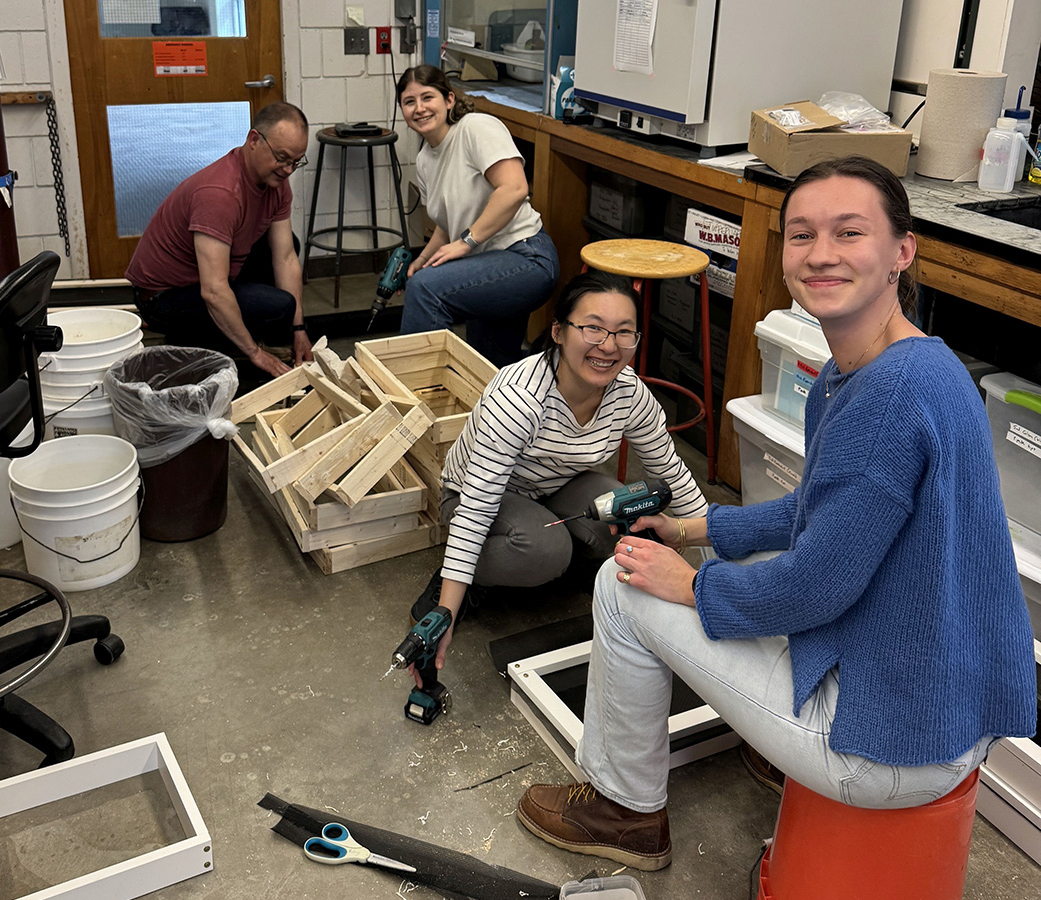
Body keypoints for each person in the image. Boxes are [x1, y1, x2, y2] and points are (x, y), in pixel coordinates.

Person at [514, 156, 1037, 871]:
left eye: (849, 232)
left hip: (889, 747)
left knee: (622, 585)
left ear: (902, 252)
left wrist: (689, 583)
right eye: (801, 235)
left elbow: (812, 588)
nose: (820, 253)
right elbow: (821, 513)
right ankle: (772, 750)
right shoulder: (916, 365)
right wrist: (692, 531)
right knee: (728, 560)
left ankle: (624, 810)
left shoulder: (882, 398)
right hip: (944, 705)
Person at [408, 271, 709, 684]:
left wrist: (714, 571)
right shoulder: (520, 397)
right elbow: (477, 506)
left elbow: (670, 474)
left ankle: (558, 560)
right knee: (544, 551)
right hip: (473, 496)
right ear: (559, 332)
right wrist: (446, 610)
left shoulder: (629, 395)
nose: (608, 346)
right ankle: (462, 578)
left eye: (624, 332)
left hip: (554, 487)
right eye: (593, 329)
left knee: (625, 513)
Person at [126, 101, 313, 378]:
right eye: (282, 157)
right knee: (278, 307)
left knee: (289, 246)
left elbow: (285, 258)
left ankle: (228, 333)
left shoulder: (276, 184)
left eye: (295, 162)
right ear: (253, 140)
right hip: (162, 298)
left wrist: (299, 330)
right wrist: (256, 354)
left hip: (200, 278)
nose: (287, 170)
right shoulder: (220, 193)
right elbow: (213, 290)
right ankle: (207, 342)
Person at [396, 65, 559, 367]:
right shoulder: (424, 160)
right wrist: (421, 261)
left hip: (527, 257)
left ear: (448, 100)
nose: (419, 108)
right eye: (409, 102)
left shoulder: (475, 127)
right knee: (490, 366)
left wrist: (466, 243)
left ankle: (415, 396)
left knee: (426, 289)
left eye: (427, 98)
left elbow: (514, 188)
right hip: (485, 264)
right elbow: (448, 226)